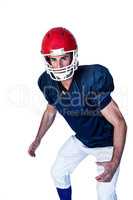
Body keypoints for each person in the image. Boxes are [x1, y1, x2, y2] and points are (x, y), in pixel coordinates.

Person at [28, 27, 127, 200]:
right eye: (53, 59)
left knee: (105, 194)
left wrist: (115, 161)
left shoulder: (93, 78)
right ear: (47, 60)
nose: (58, 65)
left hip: (106, 143)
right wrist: (38, 139)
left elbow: (120, 122)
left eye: (64, 58)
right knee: (58, 172)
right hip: (82, 139)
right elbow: (50, 112)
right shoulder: (46, 82)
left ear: (73, 56)